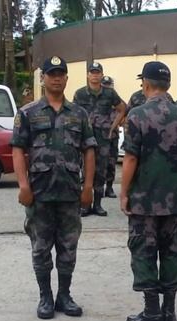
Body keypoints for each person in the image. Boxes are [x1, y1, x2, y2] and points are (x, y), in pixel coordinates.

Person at [11, 56, 97, 319]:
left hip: (70, 193)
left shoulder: (79, 114)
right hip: (40, 193)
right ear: (43, 78)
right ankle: (45, 297)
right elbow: (17, 150)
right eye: (52, 74)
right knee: (40, 248)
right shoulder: (28, 113)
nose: (56, 78)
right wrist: (23, 185)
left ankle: (64, 295)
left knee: (68, 248)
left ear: (67, 78)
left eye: (61, 74)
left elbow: (89, 151)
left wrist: (88, 187)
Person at [120, 61, 177, 321]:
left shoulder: (137, 115)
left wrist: (124, 193)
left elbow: (130, 158)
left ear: (146, 84)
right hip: (175, 198)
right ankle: (169, 311)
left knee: (144, 250)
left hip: (145, 199)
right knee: (172, 250)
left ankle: (152, 311)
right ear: (169, 84)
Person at [72, 61, 126, 216]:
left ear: (101, 75)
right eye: (92, 72)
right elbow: (74, 113)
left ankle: (98, 205)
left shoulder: (109, 93)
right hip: (86, 137)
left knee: (101, 171)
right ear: (88, 75)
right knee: (84, 170)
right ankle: (85, 205)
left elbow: (122, 109)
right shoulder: (80, 93)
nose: (95, 75)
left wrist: (113, 127)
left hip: (103, 138)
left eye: (97, 73)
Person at [101, 76, 124, 198]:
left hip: (112, 136)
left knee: (111, 162)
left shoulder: (116, 100)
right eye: (104, 84)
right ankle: (98, 188)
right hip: (99, 136)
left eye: (108, 84)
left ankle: (109, 188)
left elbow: (125, 111)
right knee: (99, 164)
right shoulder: (99, 100)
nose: (106, 86)